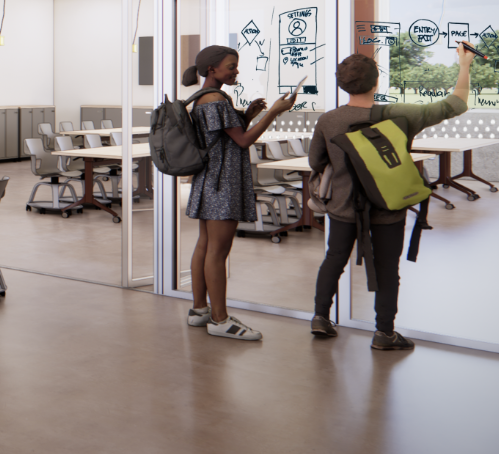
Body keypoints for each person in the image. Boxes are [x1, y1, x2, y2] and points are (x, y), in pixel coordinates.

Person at [308, 44, 475, 350]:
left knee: (334, 259)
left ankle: (320, 318)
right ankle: (384, 334)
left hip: (343, 206)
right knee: (387, 268)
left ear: (341, 84)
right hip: (389, 206)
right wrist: (464, 65)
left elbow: (316, 161)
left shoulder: (328, 120)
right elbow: (456, 104)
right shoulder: (400, 114)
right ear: (376, 82)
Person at [181, 44, 294, 341]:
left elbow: (224, 137)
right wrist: (273, 112)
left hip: (209, 179)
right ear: (212, 69)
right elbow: (242, 141)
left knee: (205, 246)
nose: (236, 71)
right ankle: (220, 320)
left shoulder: (203, 97)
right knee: (217, 252)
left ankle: (199, 310)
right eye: (231, 67)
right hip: (224, 182)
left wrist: (248, 115)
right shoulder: (217, 100)